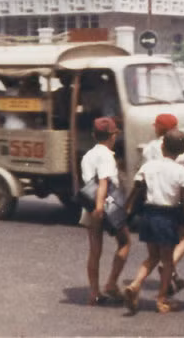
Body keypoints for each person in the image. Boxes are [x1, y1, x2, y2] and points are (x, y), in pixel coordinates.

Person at [122, 130, 184, 315]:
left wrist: (127, 207)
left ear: (162, 147)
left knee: (152, 257)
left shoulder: (148, 166)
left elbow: (137, 188)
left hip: (148, 215)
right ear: (182, 151)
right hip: (167, 216)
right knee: (167, 261)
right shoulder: (182, 172)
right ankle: (162, 299)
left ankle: (135, 284)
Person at [80, 117, 130, 306]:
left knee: (94, 250)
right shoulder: (106, 155)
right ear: (113, 135)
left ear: (94, 135)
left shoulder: (88, 155)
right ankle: (111, 283)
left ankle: (94, 292)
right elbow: (103, 181)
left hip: (90, 205)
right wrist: (100, 207)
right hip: (105, 205)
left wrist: (95, 207)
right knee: (125, 242)